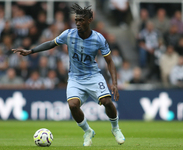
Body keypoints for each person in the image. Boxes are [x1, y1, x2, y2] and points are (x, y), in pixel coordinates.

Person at [12, 3, 125, 146]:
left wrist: (114, 83)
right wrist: (31, 51)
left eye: (81, 20)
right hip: (75, 78)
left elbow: (110, 62)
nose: (77, 23)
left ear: (89, 20)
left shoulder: (99, 38)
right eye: (76, 20)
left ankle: (115, 129)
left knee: (107, 101)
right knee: (72, 105)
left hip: (93, 76)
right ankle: (87, 131)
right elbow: (51, 44)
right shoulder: (68, 34)